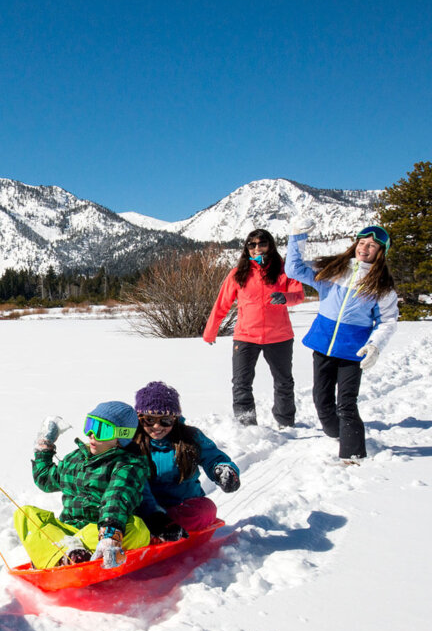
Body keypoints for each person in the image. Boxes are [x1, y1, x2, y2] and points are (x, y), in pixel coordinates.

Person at [285, 223, 399, 463]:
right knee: (322, 400)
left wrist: (375, 346)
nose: (365, 248)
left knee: (346, 403)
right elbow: (294, 268)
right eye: (362, 243)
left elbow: (388, 321)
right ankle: (337, 435)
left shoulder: (382, 286)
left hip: (352, 352)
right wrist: (296, 236)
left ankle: (354, 455)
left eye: (372, 245)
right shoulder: (333, 270)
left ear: (381, 252)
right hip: (323, 346)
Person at [14, 401, 150, 569]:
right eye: (90, 425)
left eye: (102, 430)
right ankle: (68, 551)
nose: (92, 434)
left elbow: (117, 495)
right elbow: (46, 480)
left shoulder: (128, 464)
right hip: (67, 530)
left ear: (121, 437)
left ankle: (57, 553)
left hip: (99, 531)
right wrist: (44, 447)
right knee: (25, 514)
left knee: (137, 528)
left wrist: (109, 531)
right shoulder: (75, 458)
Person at [203, 228, 305, 427]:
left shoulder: (284, 270)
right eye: (252, 245)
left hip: (279, 336)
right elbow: (222, 304)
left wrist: (285, 297)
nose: (257, 248)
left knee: (284, 382)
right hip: (246, 337)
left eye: (262, 243)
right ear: (247, 248)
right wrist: (210, 331)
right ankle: (246, 426)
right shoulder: (238, 273)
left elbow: (298, 295)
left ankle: (286, 423)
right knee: (241, 384)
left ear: (271, 245)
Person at [133, 380, 240, 540]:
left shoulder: (190, 437)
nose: (156, 426)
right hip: (148, 507)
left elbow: (214, 458)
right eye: (149, 420)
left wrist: (223, 470)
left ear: (175, 418)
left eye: (165, 420)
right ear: (140, 418)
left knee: (205, 509)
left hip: (183, 505)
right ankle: (152, 526)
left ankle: (159, 529)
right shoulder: (133, 442)